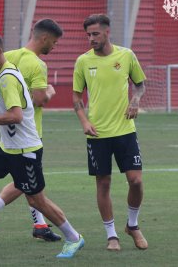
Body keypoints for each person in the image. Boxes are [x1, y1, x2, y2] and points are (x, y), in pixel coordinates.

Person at [0, 31, 84, 259]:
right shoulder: (1, 73)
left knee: (36, 200)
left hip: (26, 150)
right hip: (8, 147)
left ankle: (73, 238)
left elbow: (17, 116)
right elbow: (19, 107)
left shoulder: (7, 77)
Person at [0, 19, 62, 242]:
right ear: (44, 38)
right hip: (28, 131)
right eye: (53, 42)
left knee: (28, 182)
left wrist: (10, 97)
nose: (54, 47)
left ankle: (40, 225)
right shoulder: (38, 64)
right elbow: (38, 99)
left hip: (11, 131)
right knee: (26, 183)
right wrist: (50, 92)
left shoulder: (11, 55)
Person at [72, 14, 147, 251]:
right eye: (88, 35)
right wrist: (84, 121)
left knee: (135, 181)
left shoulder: (126, 55)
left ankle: (132, 226)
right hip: (98, 134)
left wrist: (135, 100)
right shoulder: (83, 61)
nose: (91, 39)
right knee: (103, 184)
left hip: (125, 130)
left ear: (107, 32)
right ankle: (111, 235)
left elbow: (140, 84)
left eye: (95, 34)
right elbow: (76, 96)